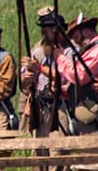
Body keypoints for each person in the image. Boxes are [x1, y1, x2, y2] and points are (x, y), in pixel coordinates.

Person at [56, 15, 98, 135]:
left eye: (75, 35)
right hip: (89, 113)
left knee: (94, 151)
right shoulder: (91, 50)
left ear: (85, 31)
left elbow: (80, 76)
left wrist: (59, 58)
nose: (75, 40)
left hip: (96, 114)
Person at [19, 7, 66, 135]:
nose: (48, 31)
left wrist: (39, 68)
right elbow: (24, 83)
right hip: (40, 106)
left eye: (52, 27)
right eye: (46, 27)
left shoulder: (69, 51)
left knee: (58, 150)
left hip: (61, 106)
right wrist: (26, 79)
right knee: (38, 149)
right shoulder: (37, 52)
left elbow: (64, 75)